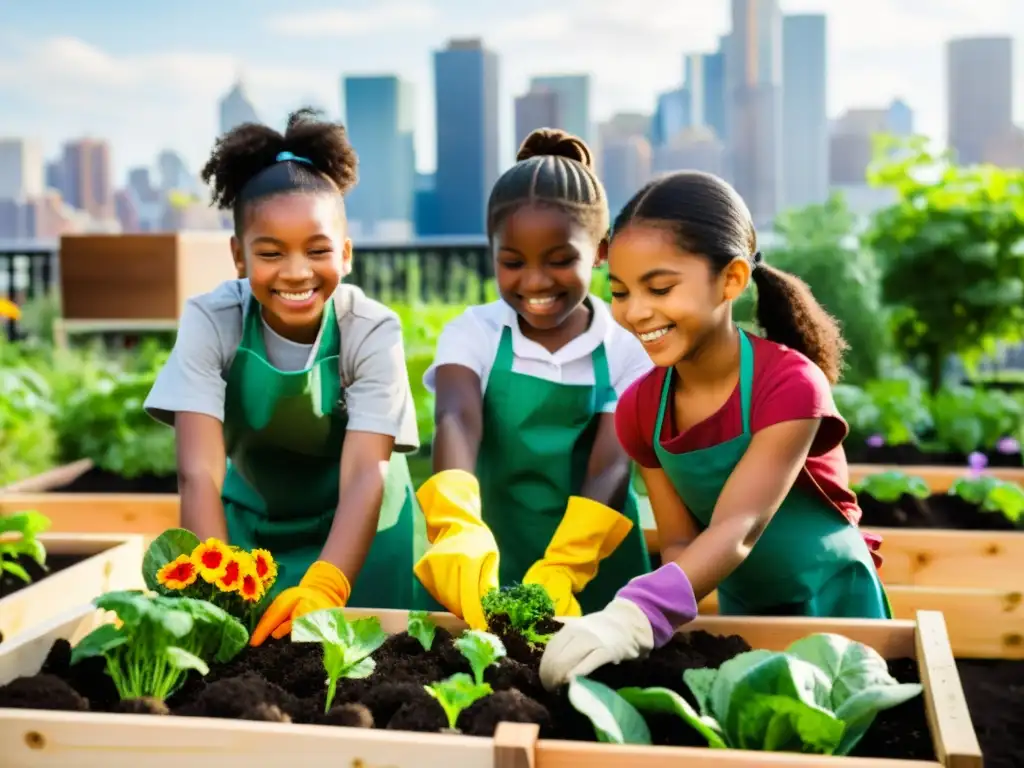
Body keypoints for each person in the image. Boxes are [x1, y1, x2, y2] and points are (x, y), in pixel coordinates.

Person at [538, 171, 890, 689]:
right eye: (619, 291)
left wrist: (635, 613)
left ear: (731, 279)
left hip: (834, 608)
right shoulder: (642, 408)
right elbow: (681, 540)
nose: (635, 311)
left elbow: (738, 526)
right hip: (742, 607)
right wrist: (669, 630)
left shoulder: (790, 385)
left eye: (660, 287)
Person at [144, 108, 433, 646]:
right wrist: (219, 588)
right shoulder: (213, 322)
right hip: (253, 531)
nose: (297, 272)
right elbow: (199, 473)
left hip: (363, 535)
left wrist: (328, 585)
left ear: (345, 254)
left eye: (318, 250)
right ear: (238, 256)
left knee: (370, 666)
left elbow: (366, 474)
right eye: (271, 253)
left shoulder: (370, 331)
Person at [414, 128, 654, 627]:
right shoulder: (473, 333)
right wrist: (458, 527)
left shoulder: (626, 346)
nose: (536, 282)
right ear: (492, 252)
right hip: (489, 556)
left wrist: (567, 566)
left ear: (602, 251)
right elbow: (456, 418)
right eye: (512, 263)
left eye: (561, 260)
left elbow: (610, 467)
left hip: (595, 567)